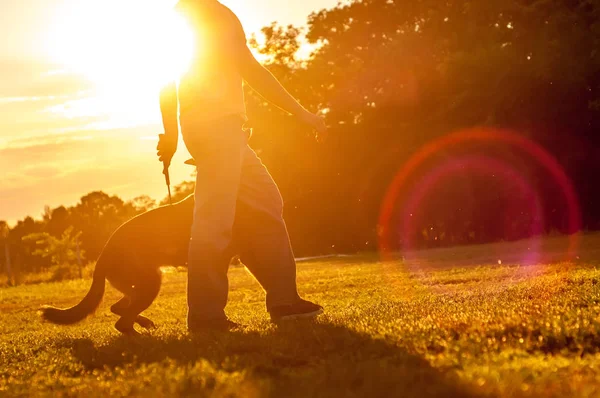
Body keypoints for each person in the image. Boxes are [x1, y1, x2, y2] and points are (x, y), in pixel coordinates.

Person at [157, 0, 327, 331]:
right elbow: (252, 71)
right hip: (218, 127)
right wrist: (301, 113)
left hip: (219, 129)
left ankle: (284, 300)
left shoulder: (190, 12)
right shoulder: (213, 14)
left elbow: (168, 81)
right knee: (215, 220)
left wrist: (174, 134)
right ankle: (206, 315)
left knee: (264, 202)